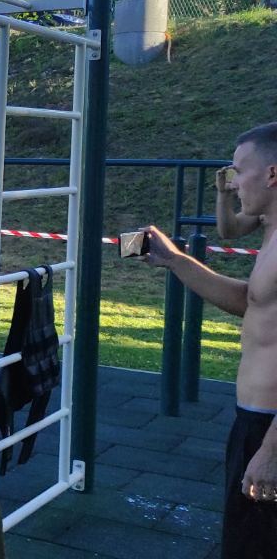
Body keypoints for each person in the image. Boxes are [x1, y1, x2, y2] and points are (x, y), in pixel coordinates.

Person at [137, 123, 277, 557]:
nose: (232, 181)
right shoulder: (272, 228)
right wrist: (176, 261)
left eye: (239, 170)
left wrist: (271, 450)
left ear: (273, 174)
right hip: (255, 421)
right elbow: (251, 303)